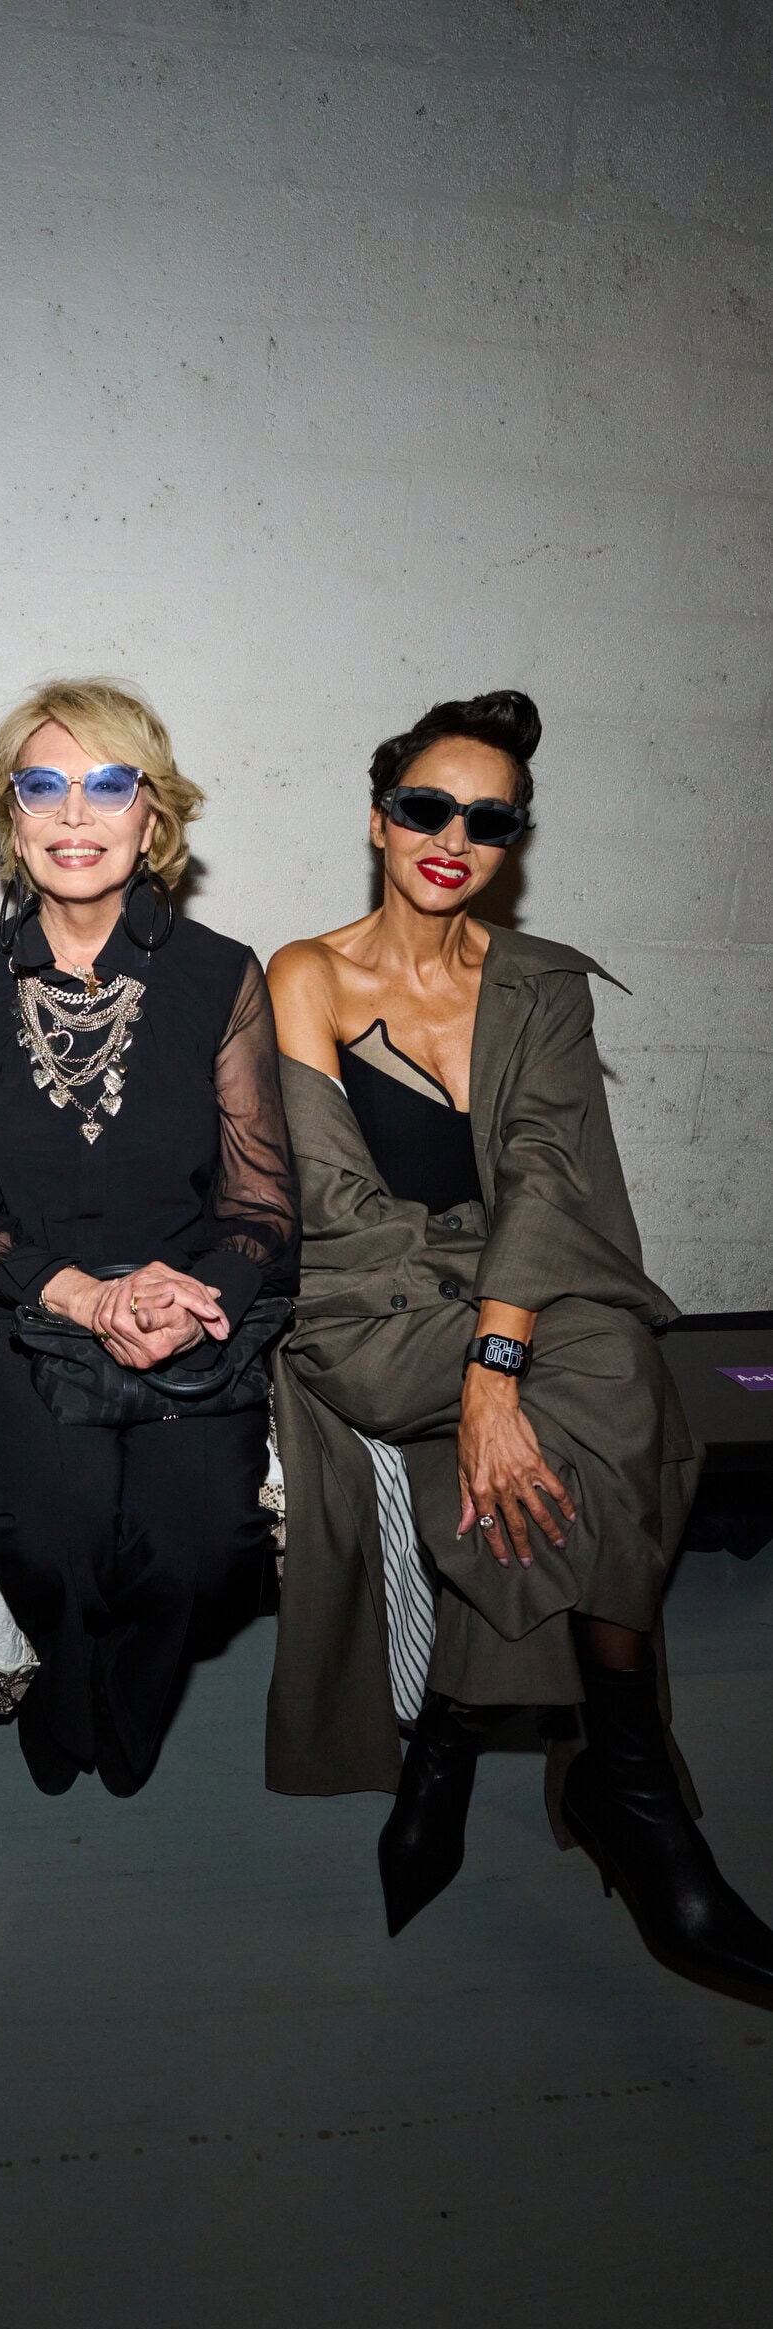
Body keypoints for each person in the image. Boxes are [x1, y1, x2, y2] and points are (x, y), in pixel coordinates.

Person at [266, 688, 773, 2009]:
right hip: (369, 1300)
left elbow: (549, 1175)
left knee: (616, 1386)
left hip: (517, 1286)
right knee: (584, 1413)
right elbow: (334, 1204)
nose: (453, 838)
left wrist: (495, 1364)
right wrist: (484, 1349)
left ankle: (566, 1761)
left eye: (487, 821)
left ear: (512, 843)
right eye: (425, 807)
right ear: (377, 819)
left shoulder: (537, 984)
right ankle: (615, 1787)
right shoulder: (306, 974)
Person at [0, 680, 299, 1797]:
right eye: (40, 786)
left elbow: (262, 1205)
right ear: (11, 818)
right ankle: (67, 1686)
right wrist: (76, 1294)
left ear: (153, 818)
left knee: (199, 1548)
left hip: (187, 1301)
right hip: (21, 1305)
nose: (73, 814)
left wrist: (193, 1298)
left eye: (108, 784)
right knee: (52, 1536)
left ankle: (133, 1693)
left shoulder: (221, 974)